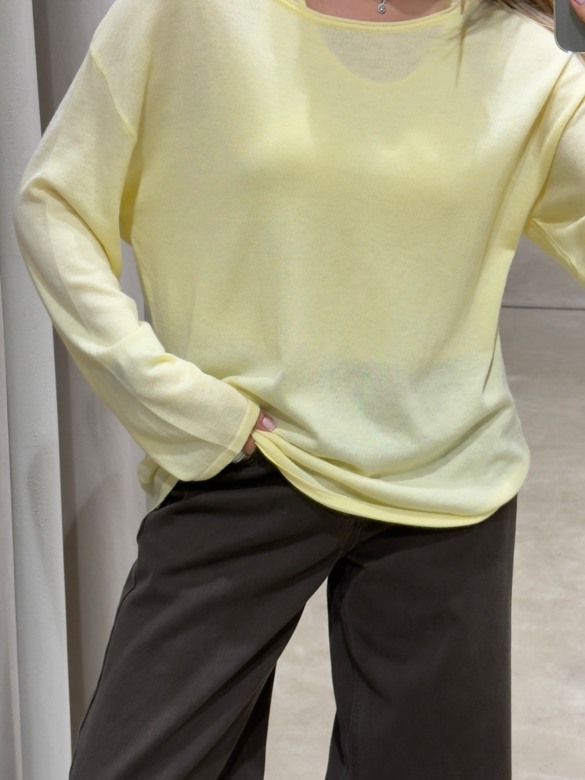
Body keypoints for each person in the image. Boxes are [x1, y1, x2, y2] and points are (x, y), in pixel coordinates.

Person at [12, 0, 585, 777]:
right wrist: (173, 401)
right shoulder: (191, 17)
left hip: (447, 487)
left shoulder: (519, 59)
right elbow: (56, 204)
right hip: (246, 461)